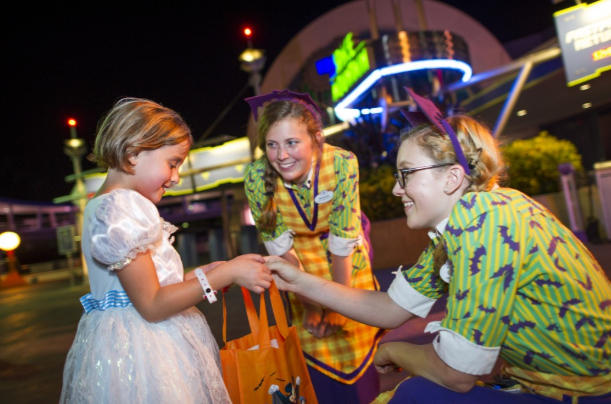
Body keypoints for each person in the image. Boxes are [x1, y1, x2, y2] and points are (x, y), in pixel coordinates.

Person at [266, 90, 611, 403]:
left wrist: (396, 352)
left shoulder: (485, 220)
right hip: (552, 385)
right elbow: (390, 309)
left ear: (451, 178)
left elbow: (456, 374)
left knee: (413, 394)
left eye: (406, 174)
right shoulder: (472, 221)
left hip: (587, 393)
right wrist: (298, 280)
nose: (396, 190)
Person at [60, 98, 273, 404]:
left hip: (129, 345)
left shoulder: (105, 204)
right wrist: (226, 273)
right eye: (172, 163)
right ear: (133, 154)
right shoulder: (122, 207)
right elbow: (152, 305)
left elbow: (147, 286)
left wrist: (202, 274)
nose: (176, 177)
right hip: (147, 351)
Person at [243, 90, 385, 404]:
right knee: (315, 372)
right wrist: (310, 304)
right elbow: (282, 251)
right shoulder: (255, 178)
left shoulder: (344, 163)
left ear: (316, 138)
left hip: (345, 266)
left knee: (359, 366)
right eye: (272, 145)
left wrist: (337, 304)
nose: (281, 156)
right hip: (298, 275)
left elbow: (343, 239)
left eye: (292, 142)